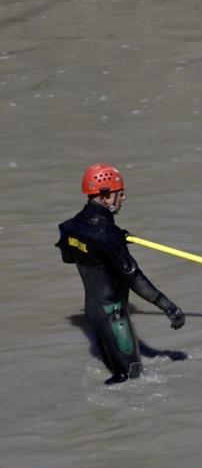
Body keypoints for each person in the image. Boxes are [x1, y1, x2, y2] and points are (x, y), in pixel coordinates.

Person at [56, 163, 186, 384]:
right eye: (120, 194)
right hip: (114, 316)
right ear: (106, 196)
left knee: (114, 370)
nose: (123, 198)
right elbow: (134, 278)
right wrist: (169, 307)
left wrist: (115, 241)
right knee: (130, 377)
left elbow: (69, 257)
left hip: (93, 314)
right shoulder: (108, 235)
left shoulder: (69, 227)